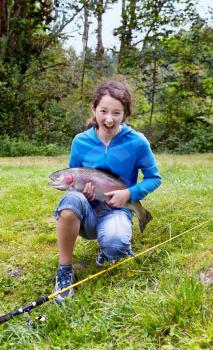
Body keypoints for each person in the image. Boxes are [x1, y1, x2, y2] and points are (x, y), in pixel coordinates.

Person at [53, 80, 161, 303]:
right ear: (94, 110)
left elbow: (154, 178)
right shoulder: (80, 142)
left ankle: (109, 247)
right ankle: (64, 269)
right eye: (103, 111)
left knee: (116, 246)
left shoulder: (137, 142)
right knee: (70, 199)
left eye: (116, 112)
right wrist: (84, 194)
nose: (109, 119)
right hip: (88, 212)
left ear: (125, 114)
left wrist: (129, 194)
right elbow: (76, 176)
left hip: (118, 210)